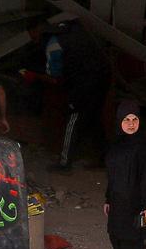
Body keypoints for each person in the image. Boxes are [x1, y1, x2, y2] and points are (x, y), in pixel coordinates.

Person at [102, 100, 146, 249]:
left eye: (135, 119)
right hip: (118, 200)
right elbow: (112, 174)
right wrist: (108, 198)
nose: (131, 123)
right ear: (119, 121)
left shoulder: (144, 146)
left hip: (136, 203)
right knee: (116, 237)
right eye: (126, 119)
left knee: (131, 242)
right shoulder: (116, 144)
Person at [46, 19, 111, 170]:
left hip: (83, 84)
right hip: (103, 79)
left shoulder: (54, 43)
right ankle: (104, 157)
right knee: (94, 118)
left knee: (73, 119)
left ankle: (64, 163)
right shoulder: (82, 33)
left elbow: (54, 73)